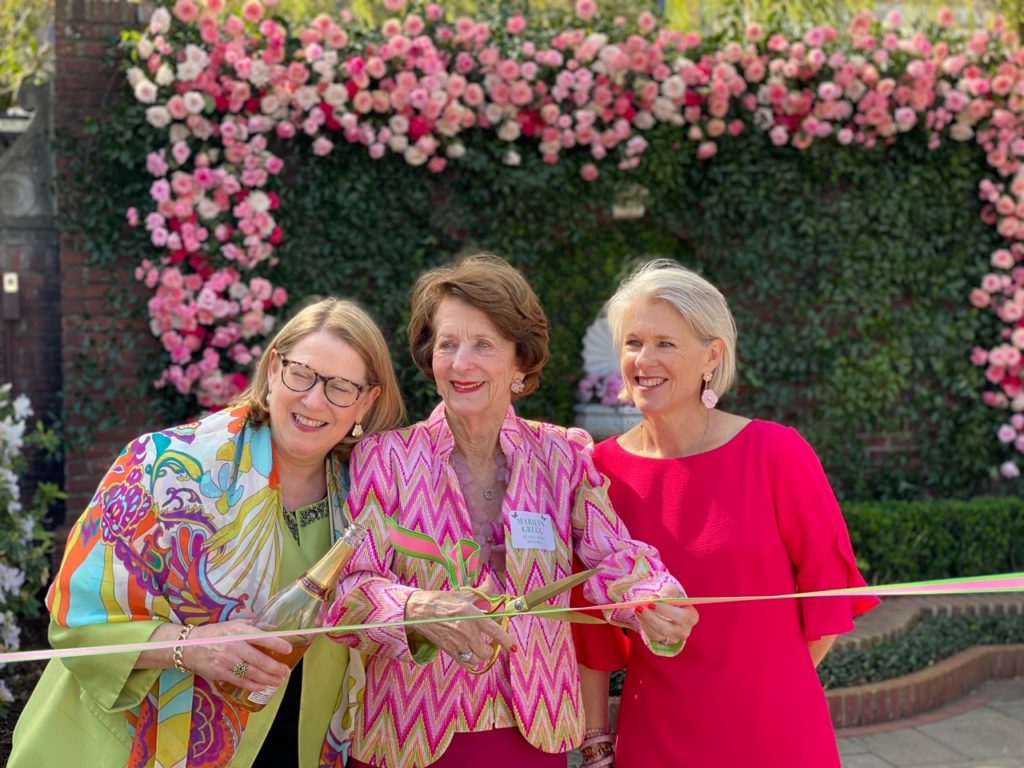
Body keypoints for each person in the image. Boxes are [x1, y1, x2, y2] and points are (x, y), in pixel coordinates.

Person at [324, 253, 699, 768]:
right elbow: (349, 594)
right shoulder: (384, 459)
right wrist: (418, 608)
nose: (461, 363)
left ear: (520, 362)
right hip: (410, 731)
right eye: (447, 344)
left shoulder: (562, 455)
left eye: (483, 345)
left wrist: (654, 597)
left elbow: (613, 557)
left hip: (532, 729)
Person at [9, 298, 405, 768]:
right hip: (123, 750)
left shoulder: (367, 497)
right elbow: (76, 620)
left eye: (341, 387)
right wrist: (190, 647)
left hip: (292, 744)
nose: (314, 400)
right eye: (302, 373)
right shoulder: (161, 466)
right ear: (274, 368)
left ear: (367, 400)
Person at [572, 259, 879, 768]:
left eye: (666, 343)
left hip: (775, 734)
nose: (644, 360)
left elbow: (828, 599)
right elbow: (591, 628)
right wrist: (597, 742)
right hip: (655, 739)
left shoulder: (777, 453)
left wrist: (767, 689)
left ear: (710, 355)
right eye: (633, 343)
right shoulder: (600, 472)